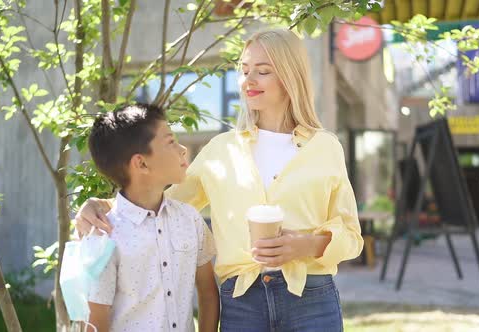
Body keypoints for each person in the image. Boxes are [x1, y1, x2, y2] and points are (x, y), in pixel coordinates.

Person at [77, 29, 363, 331]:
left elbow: (352, 237)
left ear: (290, 77)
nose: (248, 80)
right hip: (242, 303)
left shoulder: (325, 147)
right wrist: (99, 204)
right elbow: (161, 202)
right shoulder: (220, 150)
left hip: (312, 299)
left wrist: (306, 245)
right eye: (244, 70)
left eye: (263, 71)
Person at [85, 104, 219, 331]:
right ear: (141, 163)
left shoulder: (190, 219)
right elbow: (95, 322)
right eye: (170, 142)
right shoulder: (103, 236)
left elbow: (208, 292)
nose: (182, 149)